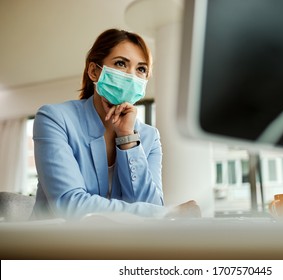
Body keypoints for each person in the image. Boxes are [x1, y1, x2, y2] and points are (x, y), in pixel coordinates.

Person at [31, 28, 200, 220]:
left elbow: (151, 205)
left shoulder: (149, 137)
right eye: (121, 64)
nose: (131, 76)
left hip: (121, 245)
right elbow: (69, 205)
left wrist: (127, 138)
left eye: (141, 69)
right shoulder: (54, 118)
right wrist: (166, 213)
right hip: (54, 244)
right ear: (94, 72)